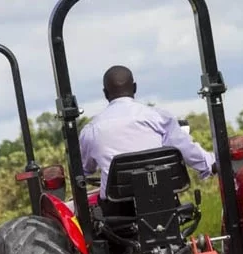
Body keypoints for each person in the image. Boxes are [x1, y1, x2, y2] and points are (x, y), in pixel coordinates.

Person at [79, 65, 217, 209]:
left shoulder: (91, 130)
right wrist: (209, 164)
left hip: (117, 211)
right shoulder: (158, 117)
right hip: (163, 201)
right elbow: (185, 149)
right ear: (135, 88)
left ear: (105, 93)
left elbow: (84, 169)